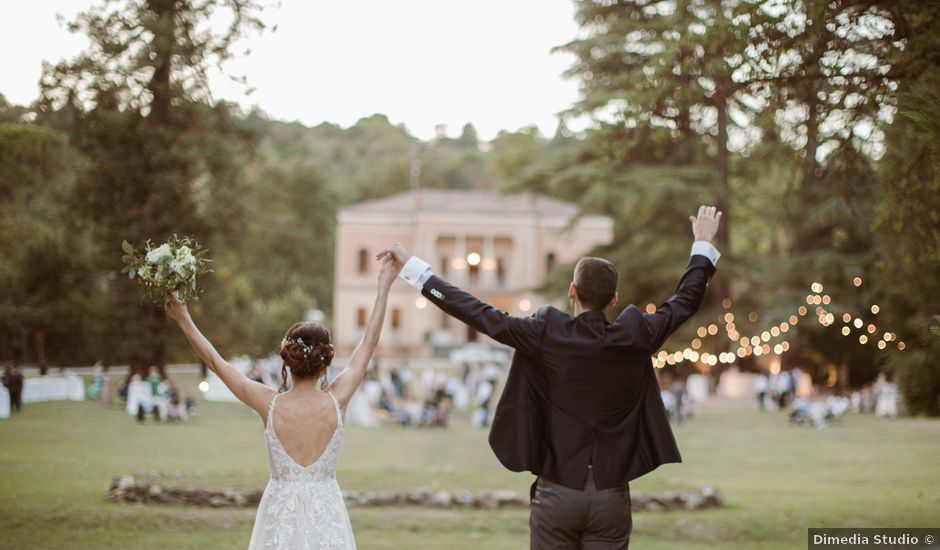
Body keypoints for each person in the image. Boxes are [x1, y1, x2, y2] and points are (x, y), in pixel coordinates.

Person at [382, 204, 722, 549]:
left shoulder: (544, 333)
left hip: (556, 494)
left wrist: (415, 270)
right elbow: (685, 301)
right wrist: (702, 244)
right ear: (614, 299)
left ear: (571, 292)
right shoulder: (637, 335)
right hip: (611, 497)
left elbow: (476, 312)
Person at [164, 252, 399, 550]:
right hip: (327, 518)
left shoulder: (268, 403)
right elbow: (369, 343)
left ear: (287, 362)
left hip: (278, 520)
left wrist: (183, 318)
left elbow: (215, 361)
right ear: (325, 363)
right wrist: (384, 285)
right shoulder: (337, 400)